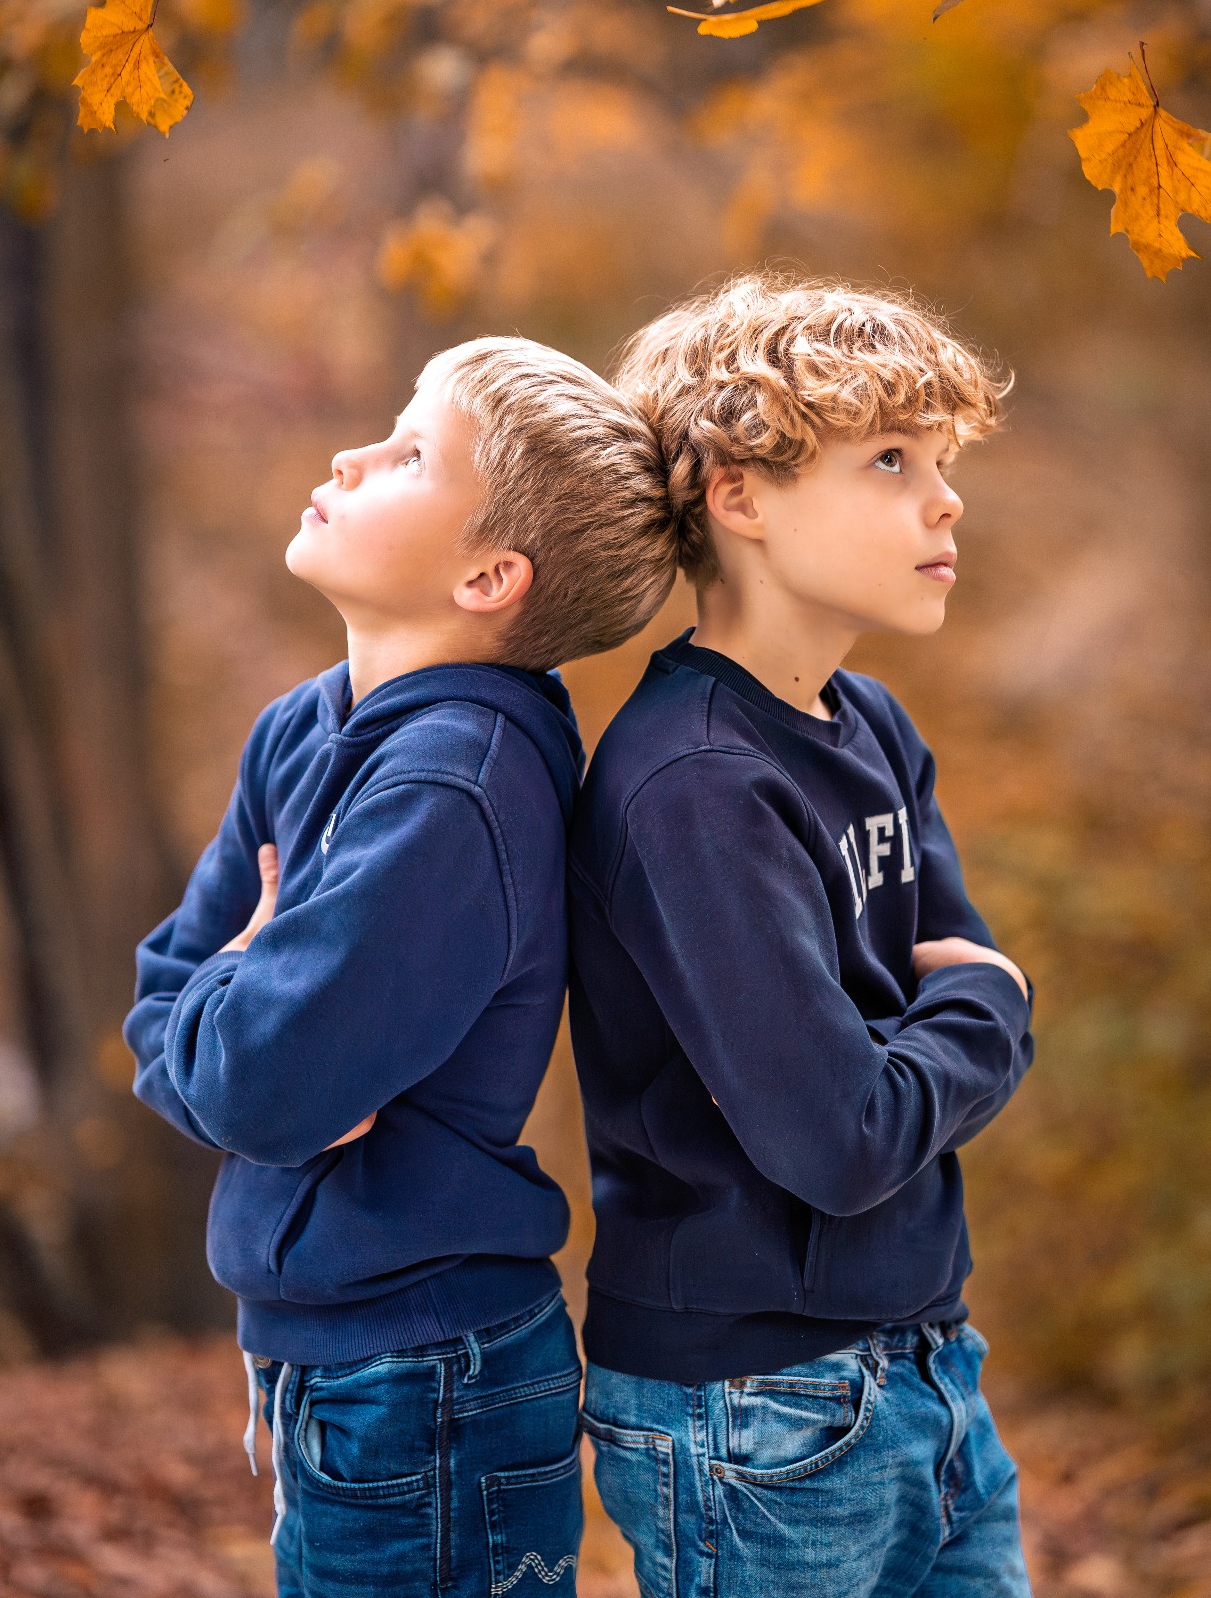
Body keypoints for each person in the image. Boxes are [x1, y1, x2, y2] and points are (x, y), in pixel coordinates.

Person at [124, 336, 677, 1598]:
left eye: (411, 451)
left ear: (490, 574)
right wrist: (246, 1001)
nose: (351, 454)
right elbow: (164, 999)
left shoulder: (454, 787)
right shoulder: (303, 726)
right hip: (334, 1359)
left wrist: (249, 1019)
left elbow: (256, 1086)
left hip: (428, 1378)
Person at [567, 273, 1036, 1598]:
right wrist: (987, 1009)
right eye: (889, 460)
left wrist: (954, 1015)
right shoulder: (693, 783)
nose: (941, 500)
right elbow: (846, 1132)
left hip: (925, 1358)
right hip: (756, 1405)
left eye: (940, 462)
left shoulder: (869, 725)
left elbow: (947, 986)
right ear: (738, 494)